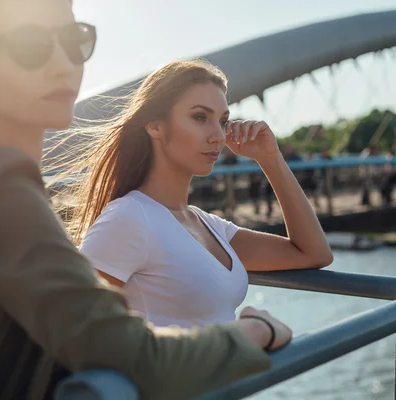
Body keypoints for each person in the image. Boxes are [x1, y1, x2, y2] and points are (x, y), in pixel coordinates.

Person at [0, 1, 293, 399]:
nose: (63, 64)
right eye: (30, 44)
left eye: (73, 39)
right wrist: (257, 330)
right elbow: (141, 362)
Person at [66, 60, 333, 329]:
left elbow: (312, 253)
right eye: (200, 117)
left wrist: (270, 159)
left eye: (223, 121)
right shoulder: (130, 217)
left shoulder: (207, 225)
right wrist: (254, 333)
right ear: (155, 125)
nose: (218, 136)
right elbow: (73, 328)